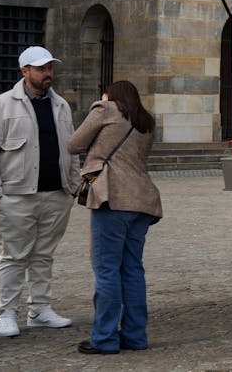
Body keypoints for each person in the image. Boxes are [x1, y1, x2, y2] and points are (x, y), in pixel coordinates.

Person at [0, 46, 80, 337]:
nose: (47, 73)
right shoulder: (1, 105)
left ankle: (40, 309)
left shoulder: (61, 104)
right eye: (41, 69)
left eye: (49, 68)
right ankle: (7, 312)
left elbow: (72, 149)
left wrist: (72, 186)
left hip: (56, 193)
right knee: (13, 256)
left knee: (43, 255)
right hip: (16, 195)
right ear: (24, 71)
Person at [68, 81, 162, 355]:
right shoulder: (146, 121)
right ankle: (134, 336)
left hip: (113, 199)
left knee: (106, 269)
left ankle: (104, 338)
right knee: (132, 269)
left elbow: (74, 144)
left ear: (111, 96)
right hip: (141, 201)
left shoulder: (105, 109)